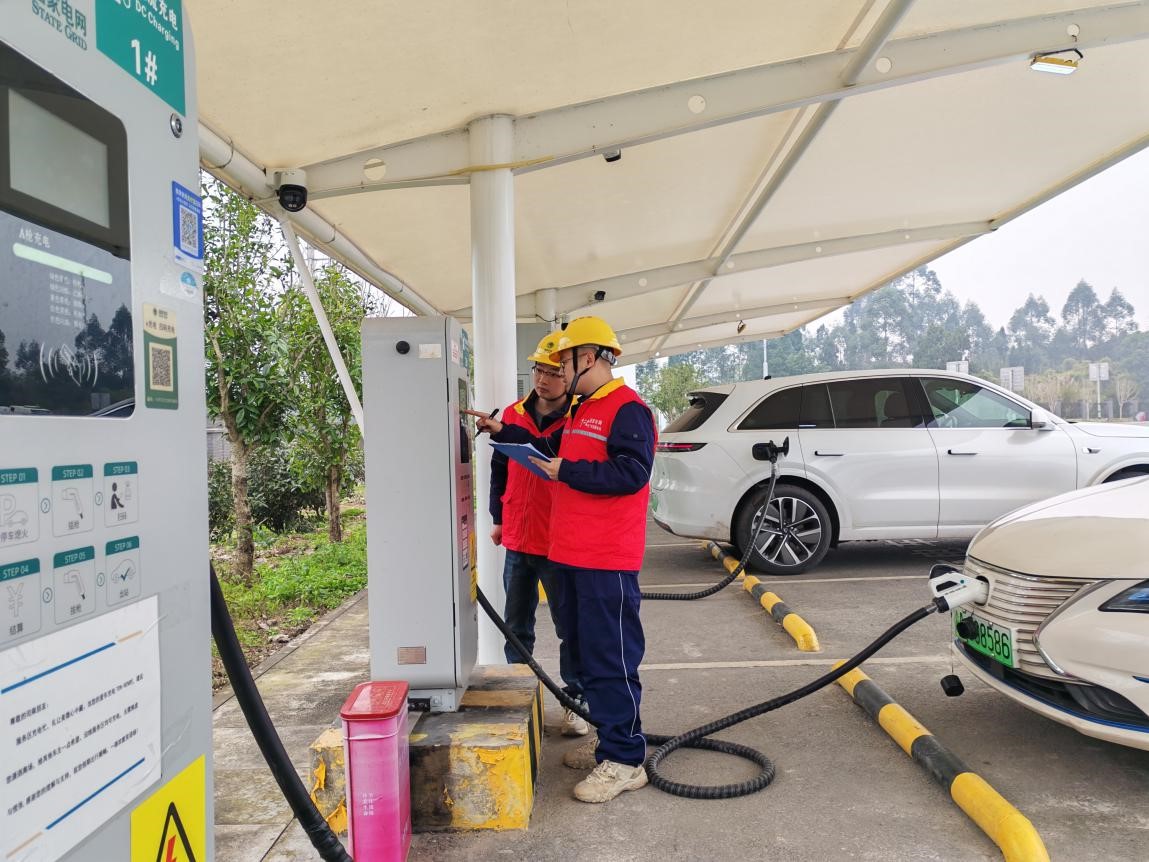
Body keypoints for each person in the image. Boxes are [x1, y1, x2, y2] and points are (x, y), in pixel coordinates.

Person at [468, 316, 656, 804]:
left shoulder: (627, 409)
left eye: (564, 360)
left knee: (611, 657)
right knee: (587, 655)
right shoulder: (582, 408)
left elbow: (632, 473)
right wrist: (502, 429)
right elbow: (546, 447)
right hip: (571, 553)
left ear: (588, 358)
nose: (556, 368)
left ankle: (626, 760)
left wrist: (566, 470)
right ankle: (608, 739)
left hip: (605, 556)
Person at [489, 332, 588, 738]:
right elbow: (499, 468)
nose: (543, 379)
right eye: (538, 370)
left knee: (569, 624)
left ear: (569, 376)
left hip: (557, 536)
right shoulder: (512, 413)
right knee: (515, 623)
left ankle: (576, 700)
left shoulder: (580, 418)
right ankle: (520, 697)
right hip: (517, 532)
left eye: (553, 372)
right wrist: (497, 517)